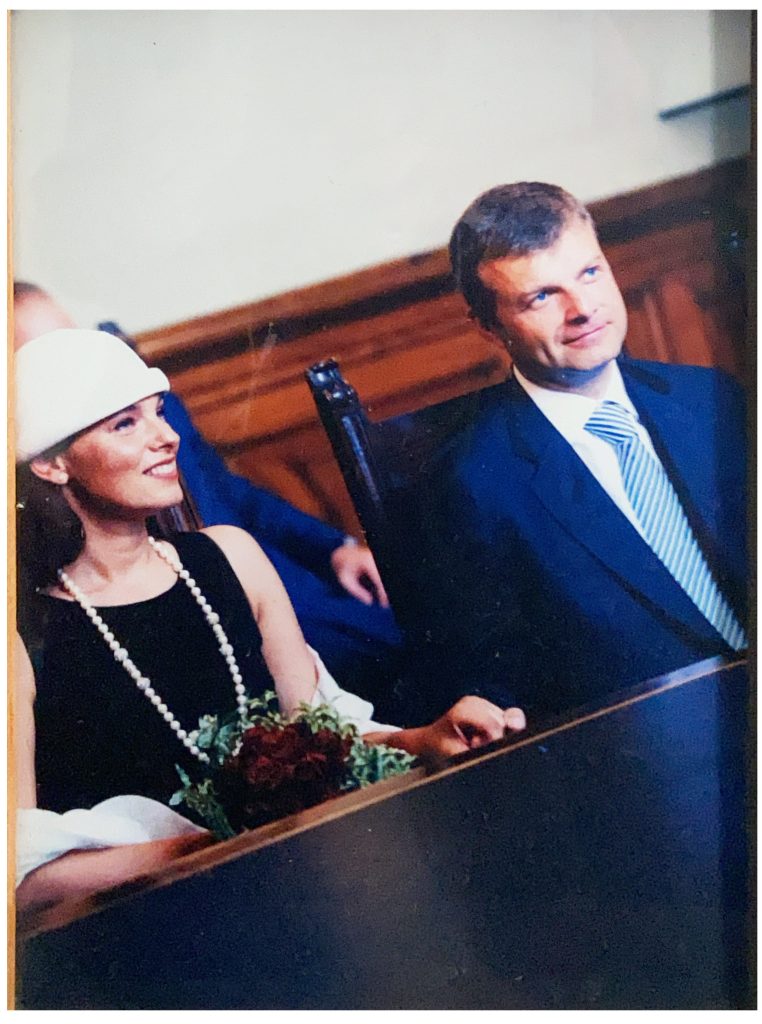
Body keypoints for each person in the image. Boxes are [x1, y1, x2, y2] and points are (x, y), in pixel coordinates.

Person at [14, 328, 525, 908]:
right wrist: (214, 846)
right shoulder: (21, 639)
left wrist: (425, 738)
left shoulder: (233, 556)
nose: (167, 437)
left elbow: (322, 742)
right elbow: (20, 878)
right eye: (125, 424)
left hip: (309, 881)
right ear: (51, 464)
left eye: (158, 411)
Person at [407, 181, 747, 721]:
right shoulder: (473, 488)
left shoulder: (708, 397)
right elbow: (499, 696)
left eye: (590, 273)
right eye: (541, 297)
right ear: (490, 328)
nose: (583, 309)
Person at [13, 284, 405, 716]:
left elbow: (232, 492)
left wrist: (335, 548)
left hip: (296, 596)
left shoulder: (150, 413)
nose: (166, 437)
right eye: (48, 357)